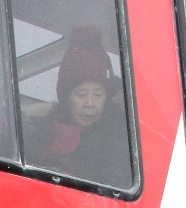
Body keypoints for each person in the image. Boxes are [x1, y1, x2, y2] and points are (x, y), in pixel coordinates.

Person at [23, 25, 128, 186]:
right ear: (67, 98)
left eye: (98, 94)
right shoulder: (43, 133)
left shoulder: (118, 140)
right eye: (81, 94)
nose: (90, 103)